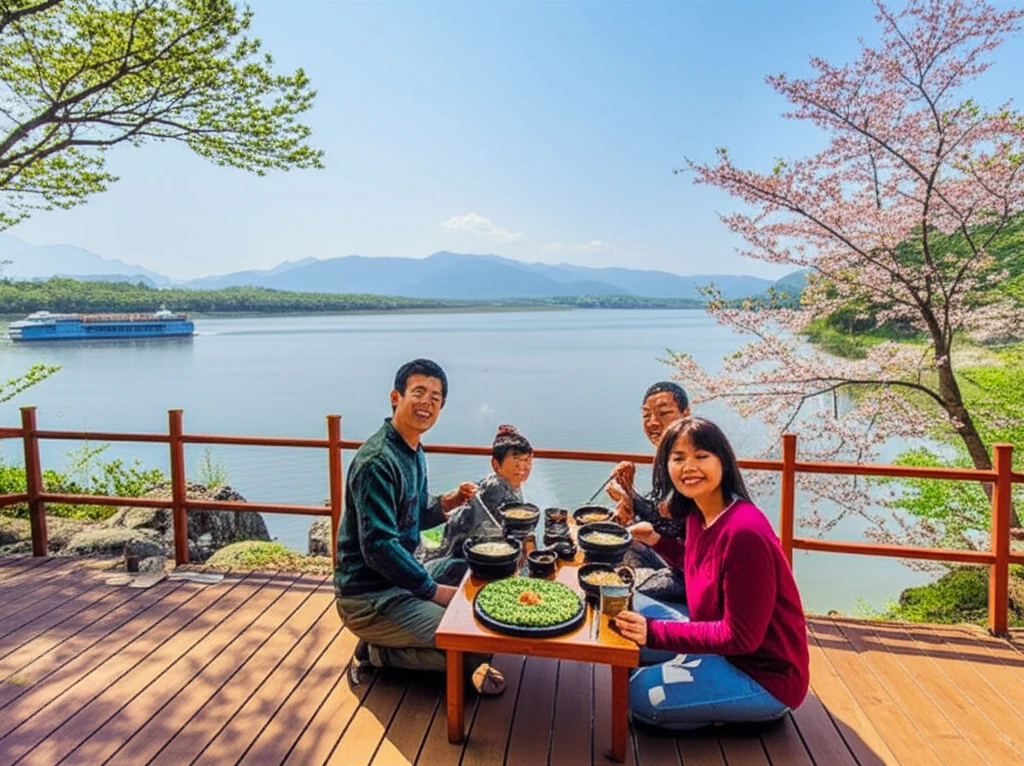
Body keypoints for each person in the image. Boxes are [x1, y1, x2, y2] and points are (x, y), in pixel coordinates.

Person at [613, 417, 810, 730]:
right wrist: (657, 541)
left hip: (762, 674)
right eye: (678, 458)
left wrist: (654, 632)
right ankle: (698, 685)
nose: (689, 466)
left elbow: (741, 637)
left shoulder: (745, 531)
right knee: (627, 608)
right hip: (721, 648)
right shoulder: (698, 513)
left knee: (636, 693)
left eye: (701, 456)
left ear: (724, 461)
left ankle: (737, 709)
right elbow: (702, 563)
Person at [334, 358, 506, 695]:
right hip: (369, 595)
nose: (427, 403)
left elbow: (414, 513)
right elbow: (379, 547)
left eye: (436, 397)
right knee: (472, 647)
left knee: (463, 569)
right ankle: (378, 652)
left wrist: (449, 501)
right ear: (396, 397)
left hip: (402, 576)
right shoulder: (377, 461)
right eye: (419, 393)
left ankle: (400, 637)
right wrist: (433, 591)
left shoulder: (412, 448)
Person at [605, 382, 691, 602]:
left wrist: (629, 496)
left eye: (664, 413)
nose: (653, 422)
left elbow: (667, 523)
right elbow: (662, 515)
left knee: (613, 585)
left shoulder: (689, 462)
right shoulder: (665, 458)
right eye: (646, 415)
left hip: (694, 573)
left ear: (685, 413)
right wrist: (628, 491)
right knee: (615, 548)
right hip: (674, 559)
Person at [420, 424, 534, 562]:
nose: (523, 467)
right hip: (464, 551)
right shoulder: (497, 488)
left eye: (527, 460)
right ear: (496, 465)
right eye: (516, 460)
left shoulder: (508, 483)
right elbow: (498, 533)